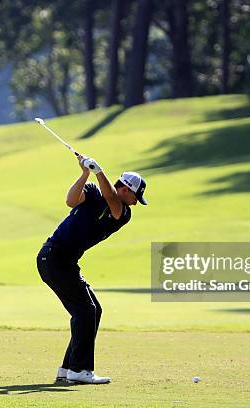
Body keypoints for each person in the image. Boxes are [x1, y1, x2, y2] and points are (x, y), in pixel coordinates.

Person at [36, 154, 147, 384]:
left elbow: (111, 200)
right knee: (85, 311)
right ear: (126, 189)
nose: (136, 201)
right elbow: (70, 200)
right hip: (54, 257)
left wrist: (99, 171)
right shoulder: (92, 192)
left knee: (91, 310)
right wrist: (86, 173)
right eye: (136, 196)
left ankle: (68, 369)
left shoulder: (123, 213)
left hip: (63, 262)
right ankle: (80, 370)